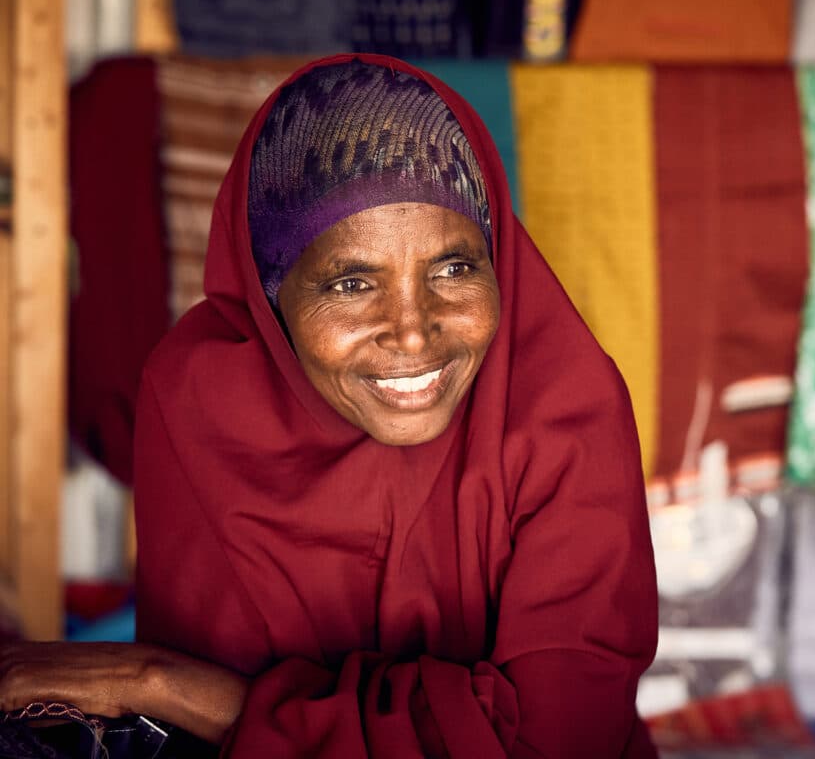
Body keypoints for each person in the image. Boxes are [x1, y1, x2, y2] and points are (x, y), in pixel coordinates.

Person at [0, 53, 658, 757]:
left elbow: (553, 742)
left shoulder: (565, 409)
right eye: (350, 284)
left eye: (455, 268)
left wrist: (160, 682)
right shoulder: (202, 404)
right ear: (269, 293)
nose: (413, 329)